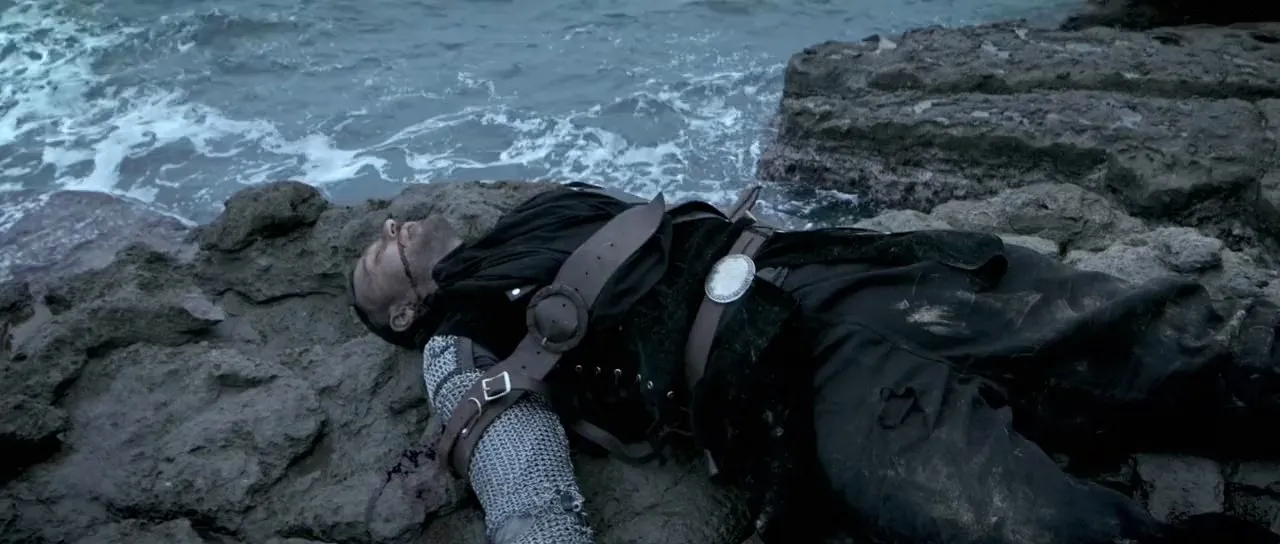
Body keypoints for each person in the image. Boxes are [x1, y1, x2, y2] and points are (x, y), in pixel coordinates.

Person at [351, 182, 1280, 544]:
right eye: (376, 254)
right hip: (791, 382)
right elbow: (524, 483)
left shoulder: (534, 215)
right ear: (403, 311)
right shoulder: (460, 336)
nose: (389, 225)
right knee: (1029, 529)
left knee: (1149, 343)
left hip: (832, 271)